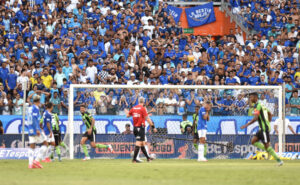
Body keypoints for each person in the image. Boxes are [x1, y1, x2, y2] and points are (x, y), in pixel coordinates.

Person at [240, 92, 283, 166]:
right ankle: (268, 150)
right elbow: (270, 113)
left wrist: (246, 125)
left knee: (266, 145)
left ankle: (279, 160)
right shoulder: (261, 105)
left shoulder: (258, 105)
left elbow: (256, 118)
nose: (250, 99)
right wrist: (269, 121)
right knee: (253, 141)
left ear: (255, 97)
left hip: (264, 128)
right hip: (262, 128)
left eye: (251, 97)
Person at [125, 97, 157, 163]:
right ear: (144, 102)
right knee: (139, 143)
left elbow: (127, 115)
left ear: (138, 101)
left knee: (142, 143)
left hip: (135, 128)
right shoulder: (143, 109)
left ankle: (148, 158)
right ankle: (134, 159)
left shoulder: (134, 108)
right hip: (140, 127)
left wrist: (126, 112)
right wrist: (153, 127)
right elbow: (148, 119)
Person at [27, 95, 47, 169]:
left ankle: (30, 164)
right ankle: (37, 160)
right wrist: (37, 129)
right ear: (38, 101)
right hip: (35, 129)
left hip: (30, 129)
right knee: (45, 143)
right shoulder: (36, 108)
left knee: (32, 146)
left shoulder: (29, 108)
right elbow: (35, 119)